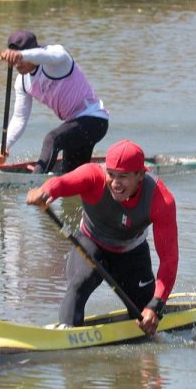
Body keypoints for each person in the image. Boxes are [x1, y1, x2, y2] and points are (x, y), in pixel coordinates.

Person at [26, 139, 178, 336]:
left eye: (123, 176)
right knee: (80, 282)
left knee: (146, 321)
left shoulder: (160, 199)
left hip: (132, 255)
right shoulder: (93, 176)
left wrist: (156, 305)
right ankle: (66, 340)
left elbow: (169, 260)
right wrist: (44, 192)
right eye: (111, 174)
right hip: (91, 245)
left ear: (140, 174)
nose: (115, 183)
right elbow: (61, 183)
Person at [0, 30, 109, 174]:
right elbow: (20, 118)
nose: (17, 64)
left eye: (21, 58)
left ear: (34, 52)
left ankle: (34, 183)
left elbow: (50, 54)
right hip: (74, 127)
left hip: (95, 120)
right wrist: (5, 145)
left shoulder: (57, 59)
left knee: (52, 139)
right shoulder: (22, 82)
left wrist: (21, 55)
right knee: (71, 180)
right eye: (14, 59)